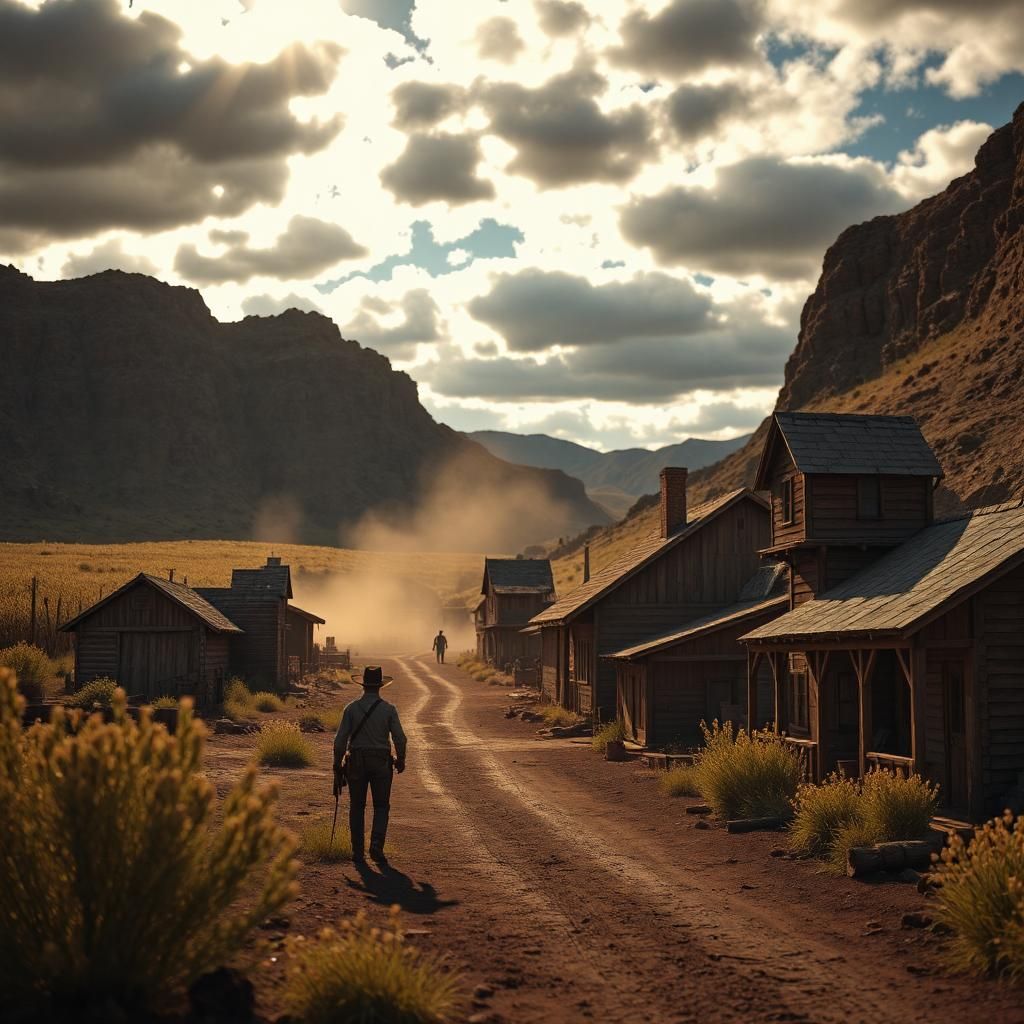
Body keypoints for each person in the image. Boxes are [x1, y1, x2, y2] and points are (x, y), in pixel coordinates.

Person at [334, 666, 407, 864]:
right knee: (381, 805)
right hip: (381, 761)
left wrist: (336, 766)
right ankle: (376, 845)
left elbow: (340, 741)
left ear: (364, 685)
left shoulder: (351, 709)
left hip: (356, 760)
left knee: (356, 806)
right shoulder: (389, 710)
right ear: (380, 687)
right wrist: (401, 759)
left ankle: (357, 850)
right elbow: (400, 738)